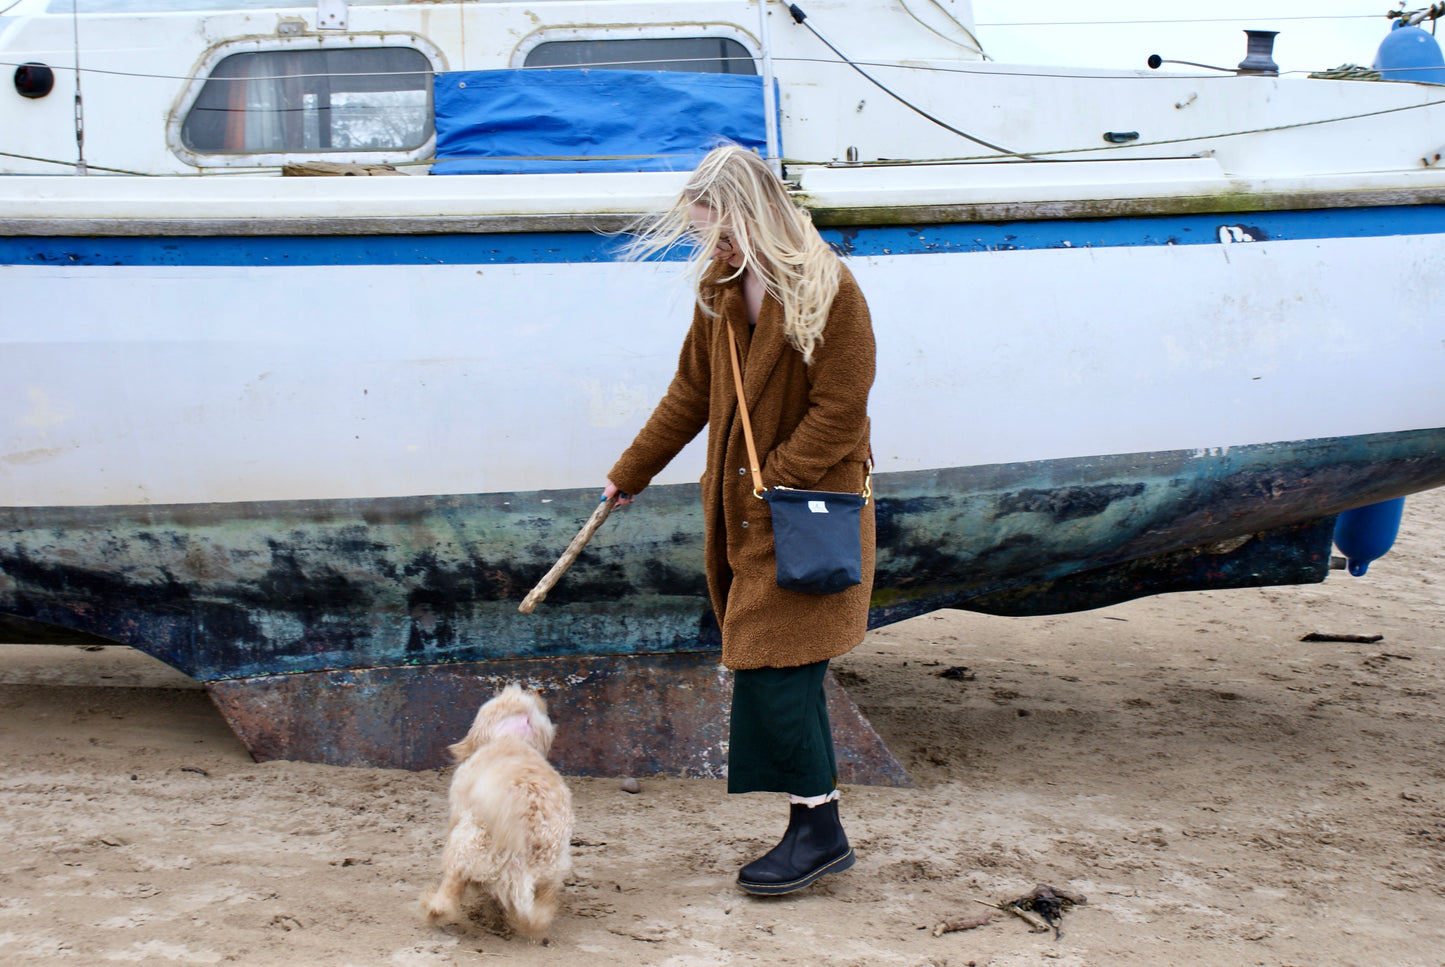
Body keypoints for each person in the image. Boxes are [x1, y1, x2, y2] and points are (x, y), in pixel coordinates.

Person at [602, 144, 876, 896]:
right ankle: (814, 825)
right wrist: (631, 471)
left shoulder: (827, 286)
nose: (710, 246)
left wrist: (776, 479)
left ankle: (816, 829)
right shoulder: (722, 291)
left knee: (776, 667)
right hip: (750, 514)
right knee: (780, 665)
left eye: (718, 231)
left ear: (751, 216)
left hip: (806, 509)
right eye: (702, 235)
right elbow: (690, 393)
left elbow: (841, 406)